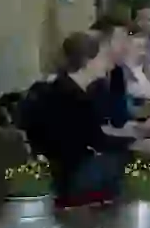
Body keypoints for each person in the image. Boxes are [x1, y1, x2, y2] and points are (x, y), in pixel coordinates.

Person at [23, 31, 133, 200]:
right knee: (133, 166)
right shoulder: (74, 98)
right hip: (70, 177)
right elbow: (98, 141)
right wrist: (135, 142)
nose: (107, 63)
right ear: (88, 61)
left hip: (52, 172)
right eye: (102, 58)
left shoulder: (55, 88)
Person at [89, 17, 137, 129]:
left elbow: (119, 120)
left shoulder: (117, 72)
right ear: (104, 44)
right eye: (122, 40)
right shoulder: (90, 78)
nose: (126, 46)